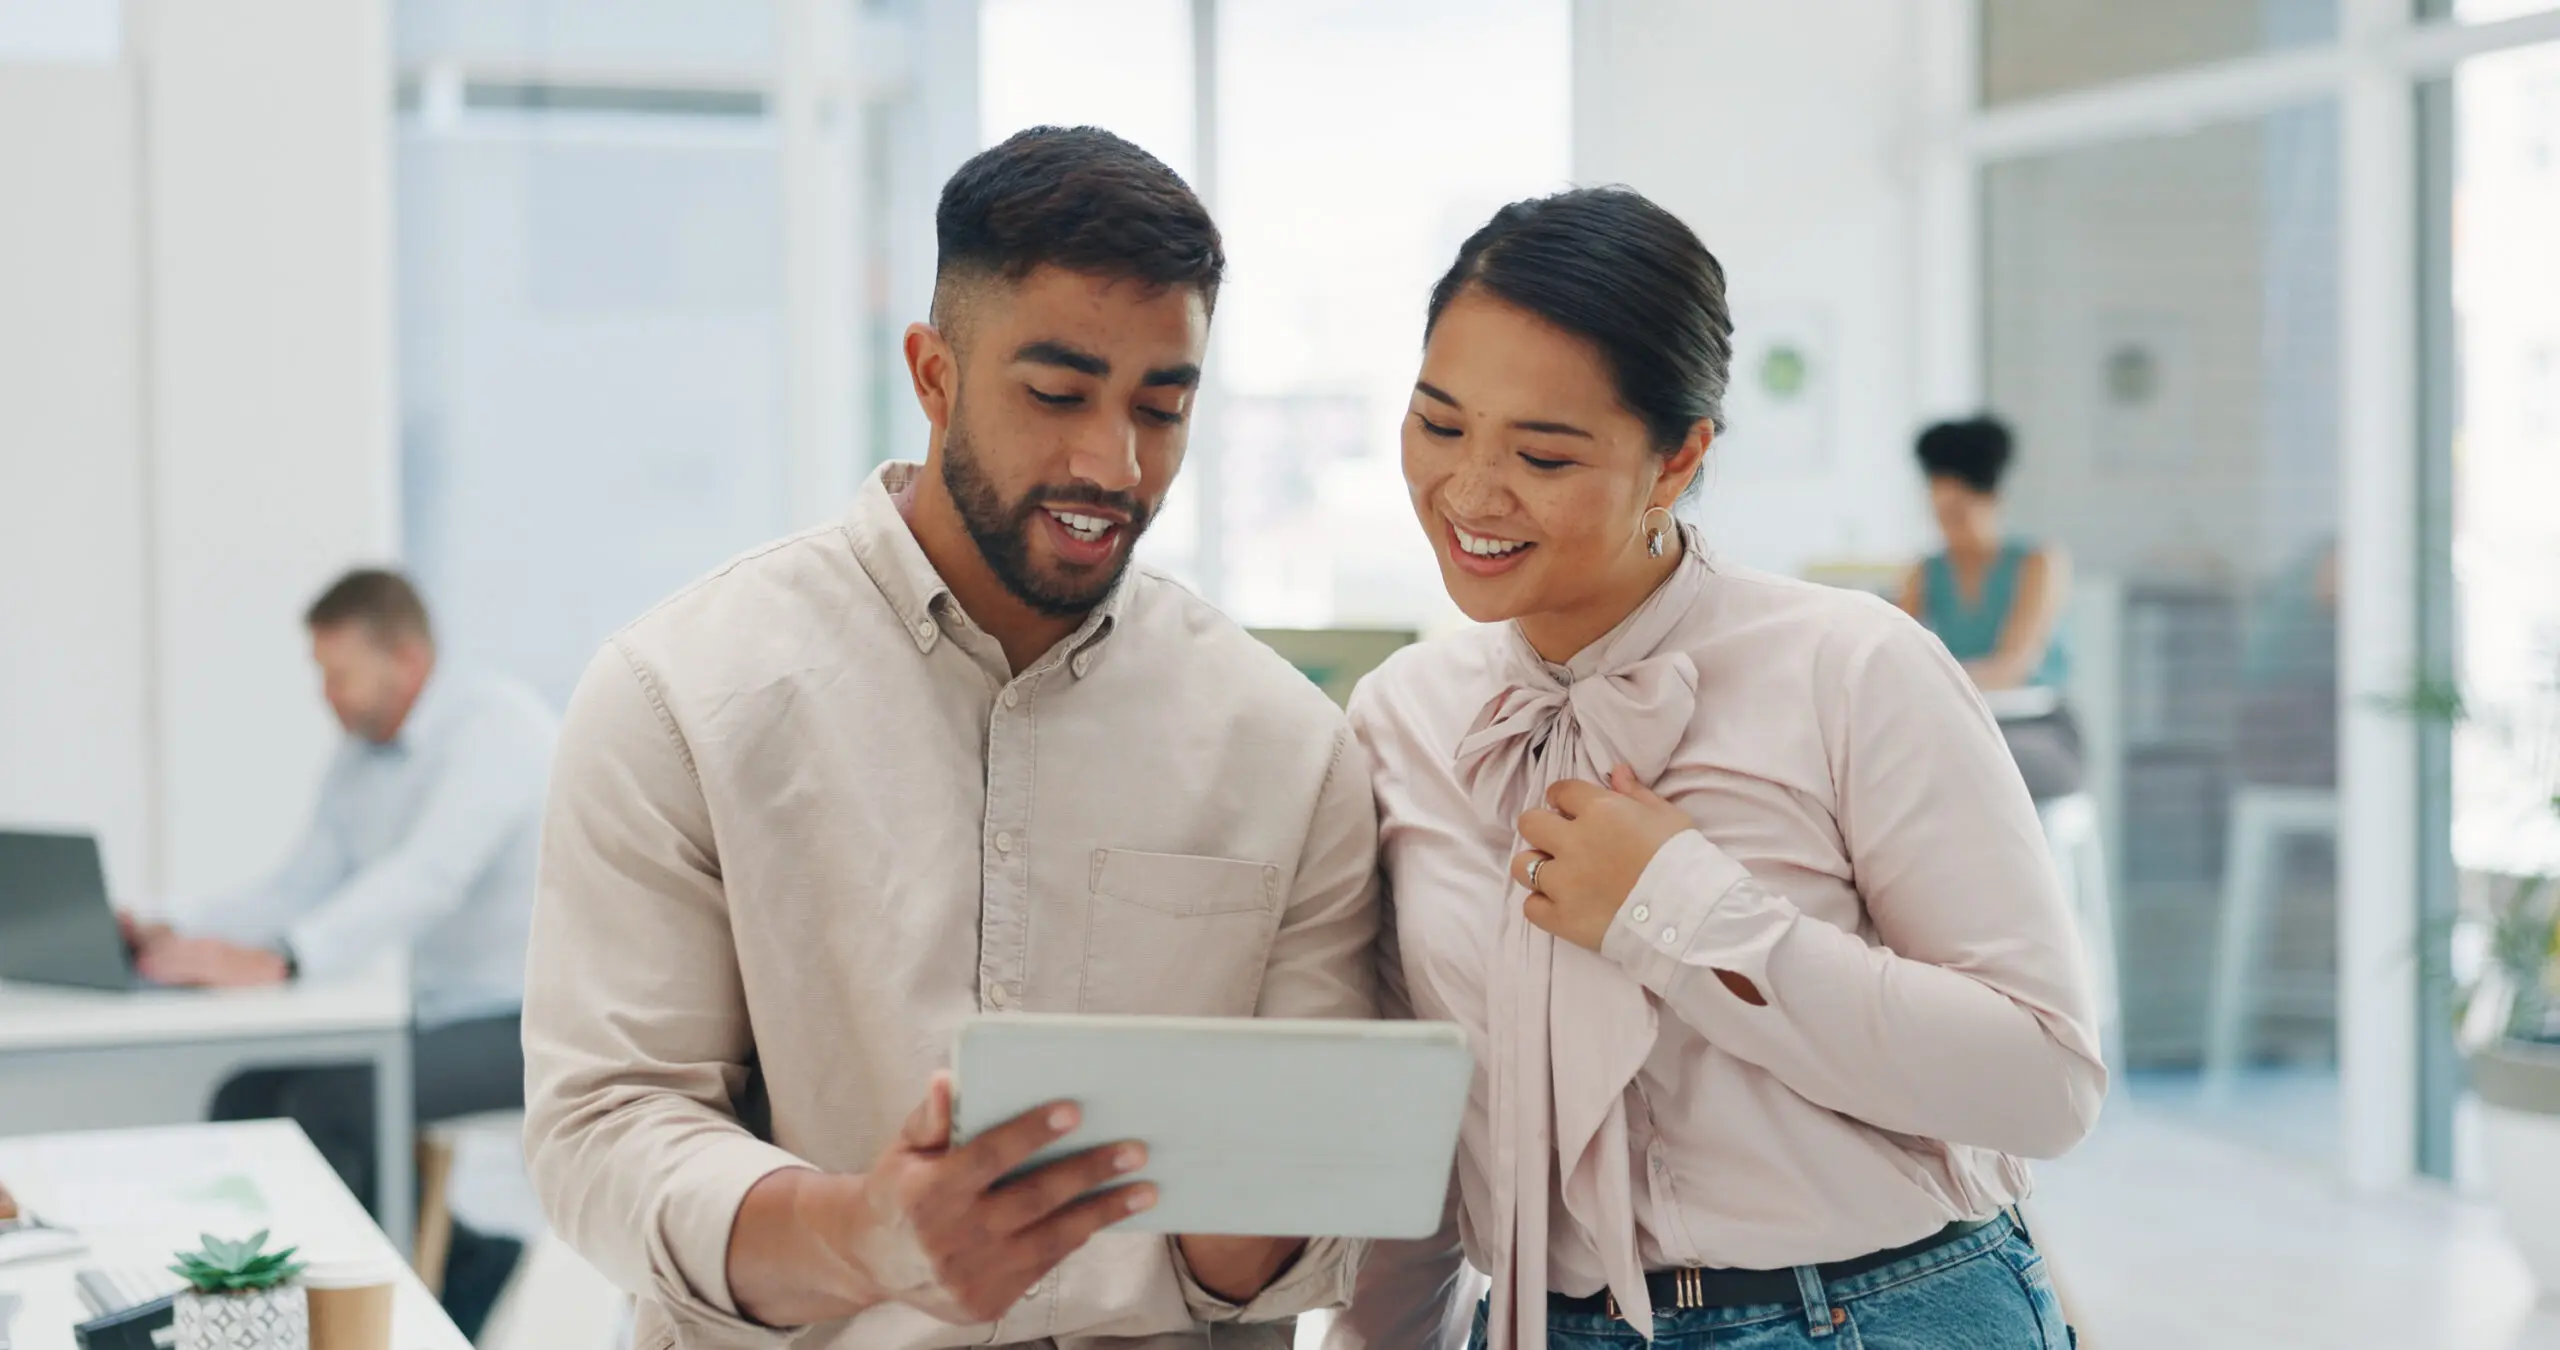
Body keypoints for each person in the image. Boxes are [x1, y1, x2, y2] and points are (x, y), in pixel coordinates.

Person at [522, 126, 1379, 1350]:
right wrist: (859, 1234)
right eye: (1056, 394)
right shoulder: (680, 695)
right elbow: (605, 1129)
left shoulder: (1289, 748)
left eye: (1161, 407)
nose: (1113, 463)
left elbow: (1295, 1218)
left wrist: (1278, 1204)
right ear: (933, 374)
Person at [1328, 189, 2105, 1350]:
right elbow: (1425, 1126)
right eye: (1439, 426)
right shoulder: (1402, 719)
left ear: (1677, 458)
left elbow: (2044, 1084)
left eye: (1542, 452)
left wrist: (1678, 910)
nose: (1471, 493)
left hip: (1868, 1313)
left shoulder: (1851, 667)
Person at [127, 568, 557, 1336]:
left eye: (340, 675)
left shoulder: (501, 730)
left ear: (408, 661)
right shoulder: (363, 751)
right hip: (440, 1012)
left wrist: (288, 959)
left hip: (535, 1021)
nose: (327, 696)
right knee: (249, 1093)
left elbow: (428, 876)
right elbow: (297, 886)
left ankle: (379, 1321)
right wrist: (171, 924)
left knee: (343, 1099)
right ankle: (435, 1263)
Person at [1896, 417, 2085, 799]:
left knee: (1958, 766)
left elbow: (2014, 665)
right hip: (1959, 725)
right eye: (1941, 514)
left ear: (1993, 500)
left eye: (1959, 514)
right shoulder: (1926, 570)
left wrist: (1932, 681)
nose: (1950, 528)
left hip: (2038, 731)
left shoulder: (2039, 563)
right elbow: (1898, 659)